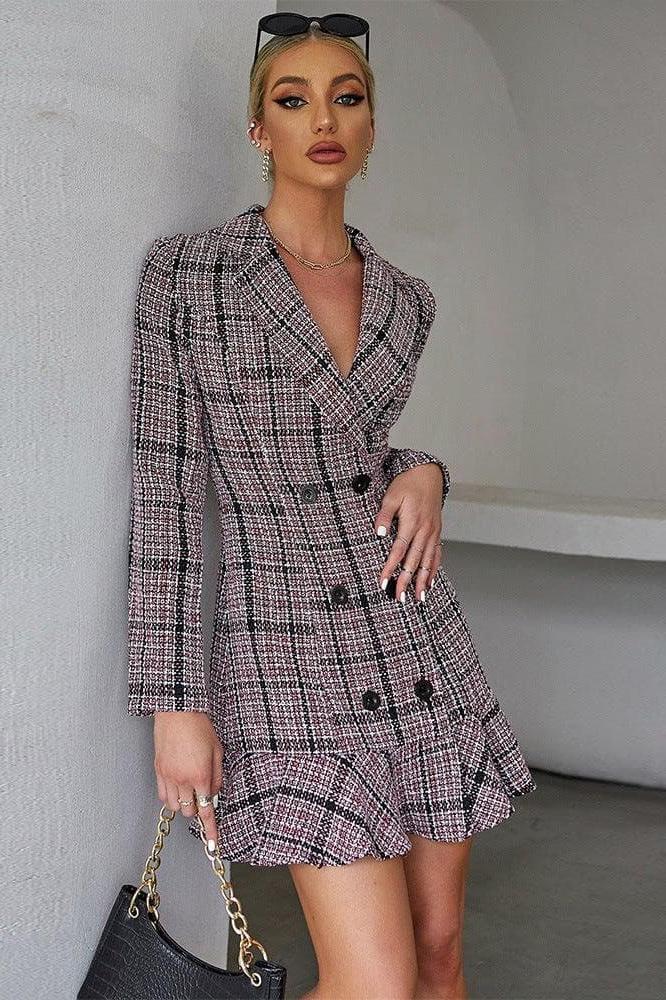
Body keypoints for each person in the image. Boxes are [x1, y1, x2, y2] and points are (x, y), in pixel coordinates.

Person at [127, 15, 537, 1000]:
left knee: (440, 959)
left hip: (414, 636)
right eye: (293, 98)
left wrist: (426, 470)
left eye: (346, 98)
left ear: (371, 128)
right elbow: (165, 494)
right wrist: (176, 703)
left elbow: (355, 454)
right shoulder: (190, 277)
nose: (323, 119)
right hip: (287, 657)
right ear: (258, 128)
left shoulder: (406, 298)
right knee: (376, 983)